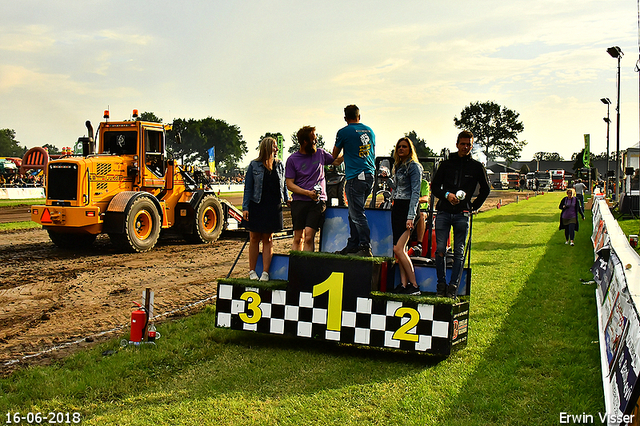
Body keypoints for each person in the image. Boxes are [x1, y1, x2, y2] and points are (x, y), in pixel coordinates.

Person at [431, 130, 491, 298]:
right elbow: (435, 186)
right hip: (443, 211)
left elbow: (486, 189)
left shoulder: (477, 167)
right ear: (457, 144)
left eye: (468, 145)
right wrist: (446, 195)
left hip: (462, 215)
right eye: (462, 144)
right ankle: (441, 284)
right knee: (440, 249)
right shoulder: (446, 164)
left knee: (459, 251)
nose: (465, 147)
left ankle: (453, 287)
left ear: (472, 146)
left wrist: (473, 206)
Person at [331, 104, 376, 257]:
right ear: (359, 116)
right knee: (354, 212)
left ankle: (364, 245)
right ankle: (354, 244)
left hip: (355, 176)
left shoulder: (344, 132)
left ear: (345, 118)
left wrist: (339, 158)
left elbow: (333, 156)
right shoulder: (370, 131)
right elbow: (366, 153)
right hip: (370, 175)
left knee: (357, 214)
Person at [242, 137, 288, 281]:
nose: (277, 149)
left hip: (273, 206)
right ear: (267, 148)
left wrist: (287, 199)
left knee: (268, 238)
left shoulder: (280, 165)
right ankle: (252, 271)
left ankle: (265, 273)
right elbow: (248, 188)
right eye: (274, 146)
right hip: (257, 204)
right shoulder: (254, 165)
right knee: (254, 238)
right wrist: (245, 208)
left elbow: (284, 184)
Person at [285, 126, 336, 252]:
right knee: (298, 238)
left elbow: (336, 160)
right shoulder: (292, 160)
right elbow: (289, 184)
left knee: (309, 236)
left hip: (317, 202)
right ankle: (296, 266)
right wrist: (307, 193)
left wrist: (347, 150)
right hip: (300, 201)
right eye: (314, 140)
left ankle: (307, 266)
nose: (316, 142)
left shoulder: (320, 153)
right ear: (305, 142)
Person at [388, 137, 423, 295]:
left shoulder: (414, 166)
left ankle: (414, 285)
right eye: (399, 147)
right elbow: (397, 188)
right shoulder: (398, 166)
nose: (401, 149)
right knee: (398, 250)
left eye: (404, 146)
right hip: (397, 207)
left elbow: (416, 192)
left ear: (410, 149)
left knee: (399, 248)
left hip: (408, 208)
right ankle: (403, 284)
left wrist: (411, 215)